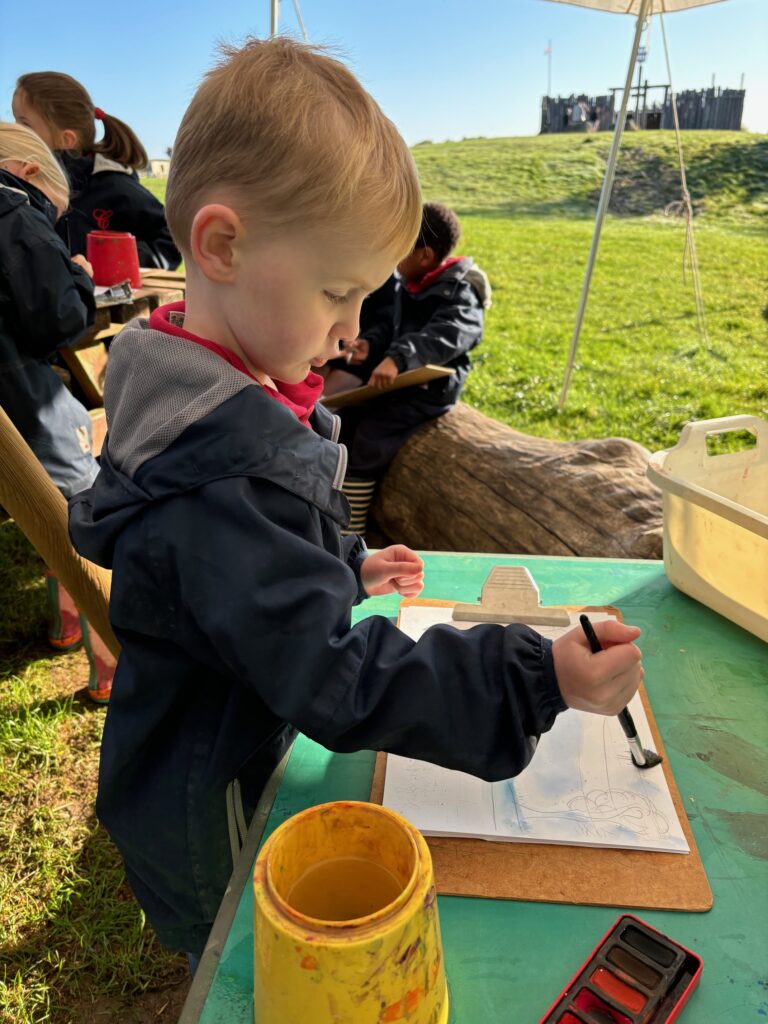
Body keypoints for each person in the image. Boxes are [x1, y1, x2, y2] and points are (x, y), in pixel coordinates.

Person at [68, 38, 643, 962]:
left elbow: (252, 584)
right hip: (212, 813)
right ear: (221, 246)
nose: (346, 335)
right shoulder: (217, 477)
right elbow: (332, 676)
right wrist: (538, 677)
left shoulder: (198, 393)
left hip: (228, 750)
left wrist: (340, 561)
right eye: (338, 293)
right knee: (249, 975)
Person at [0, 122, 114, 702]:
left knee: (34, 514)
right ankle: (109, 667)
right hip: (20, 399)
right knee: (79, 514)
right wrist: (79, 276)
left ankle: (61, 625)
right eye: (53, 206)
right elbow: (60, 321)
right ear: (28, 173)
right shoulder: (15, 212)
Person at [325, 201, 490, 534]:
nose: (392, 259)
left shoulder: (460, 291)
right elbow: (391, 326)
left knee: (370, 439)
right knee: (341, 421)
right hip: (395, 383)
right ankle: (328, 511)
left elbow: (447, 335)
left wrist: (400, 358)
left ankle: (351, 532)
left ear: (425, 255)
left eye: (400, 251)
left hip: (426, 391)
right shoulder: (410, 283)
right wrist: (371, 343)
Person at [13, 72, 180, 270]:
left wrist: (117, 264)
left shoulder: (114, 186)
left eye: (24, 124)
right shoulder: (24, 186)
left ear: (66, 140)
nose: (15, 131)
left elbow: (173, 235)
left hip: (106, 300)